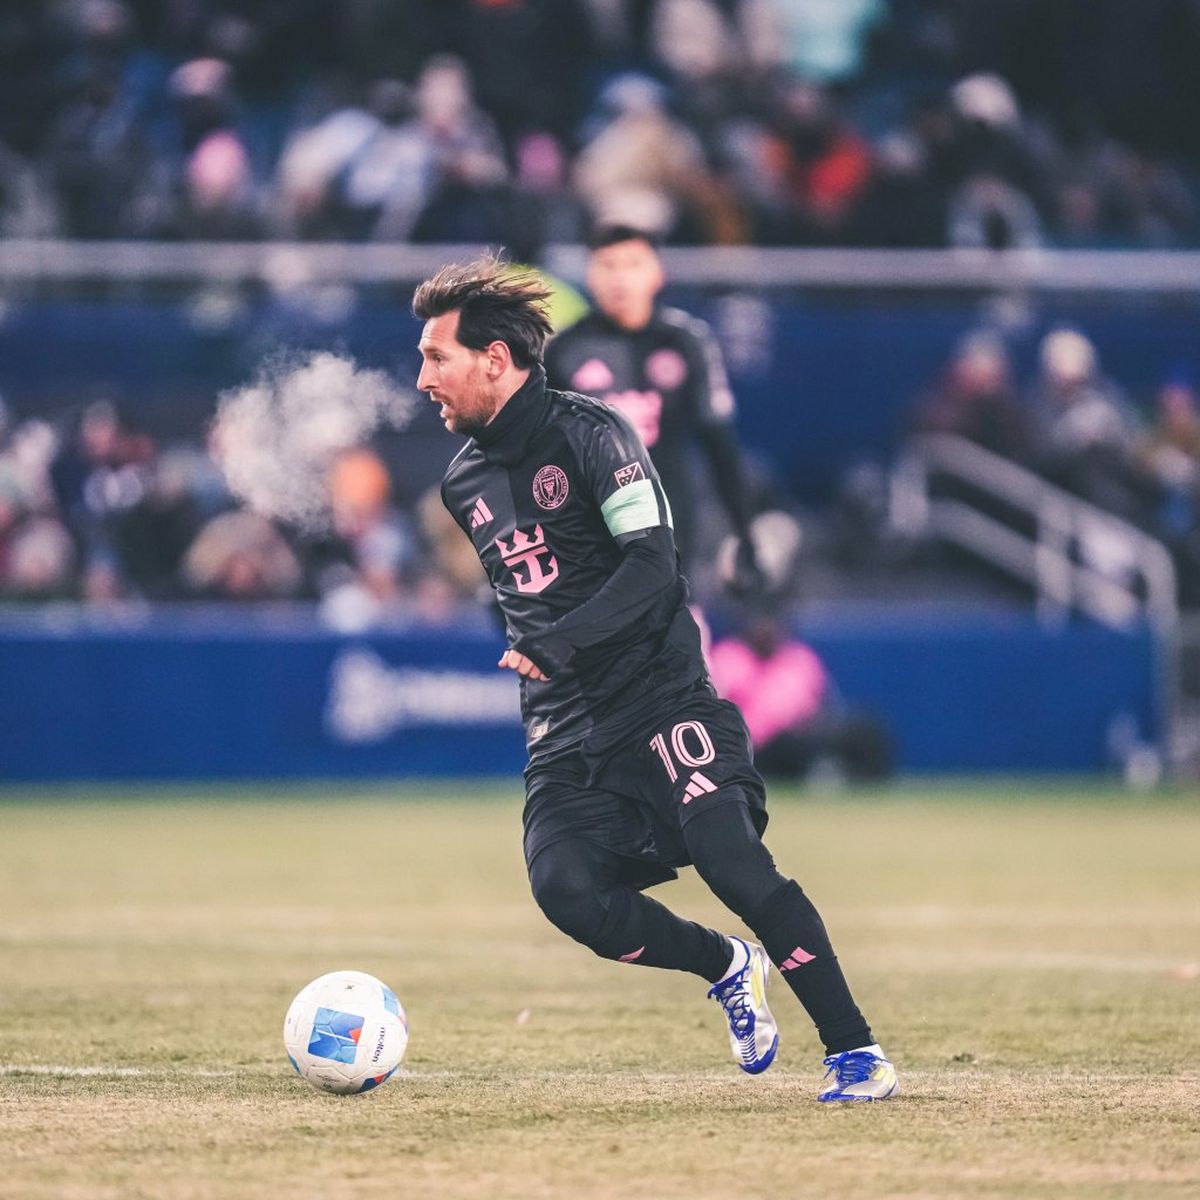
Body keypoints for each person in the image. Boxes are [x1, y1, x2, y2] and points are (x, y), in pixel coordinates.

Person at [412, 254, 898, 1101]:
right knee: (566, 893)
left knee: (732, 860)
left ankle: (856, 1053)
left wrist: (564, 638)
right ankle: (725, 964)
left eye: (436, 357)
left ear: (496, 359)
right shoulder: (463, 484)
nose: (423, 379)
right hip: (565, 730)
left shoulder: (596, 434)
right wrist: (544, 652)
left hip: (663, 697)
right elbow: (526, 597)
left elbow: (653, 567)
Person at [543, 225, 761, 589]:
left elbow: (719, 446)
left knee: (667, 630)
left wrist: (744, 531)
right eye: (608, 265)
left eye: (633, 264)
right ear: (590, 275)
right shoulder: (563, 350)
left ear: (657, 273)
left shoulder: (687, 343)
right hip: (589, 532)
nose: (620, 278)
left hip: (670, 524)